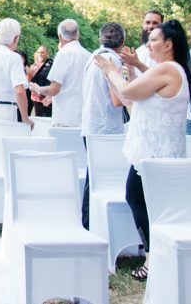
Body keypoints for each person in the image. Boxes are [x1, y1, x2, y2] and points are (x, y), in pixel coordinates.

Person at [93, 19, 191, 283]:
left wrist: (108, 69)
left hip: (155, 154)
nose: (148, 42)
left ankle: (154, 256)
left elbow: (127, 90)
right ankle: (155, 255)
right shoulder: (168, 69)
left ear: (168, 44)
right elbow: (132, 98)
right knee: (142, 200)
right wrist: (131, 65)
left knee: (139, 199)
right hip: (153, 152)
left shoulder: (168, 70)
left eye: (154, 39)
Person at [81, 22, 128, 230]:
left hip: (90, 125)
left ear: (101, 39)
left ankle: (89, 225)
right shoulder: (112, 60)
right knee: (102, 182)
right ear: (122, 43)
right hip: (106, 128)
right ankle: (93, 226)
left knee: (94, 179)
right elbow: (117, 100)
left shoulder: (92, 58)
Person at [31, 19, 91, 127]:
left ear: (60, 36)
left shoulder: (63, 54)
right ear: (78, 34)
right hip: (85, 115)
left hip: (66, 117)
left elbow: (53, 89)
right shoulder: (88, 55)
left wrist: (37, 88)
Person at [26, 45, 53, 117]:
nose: (40, 54)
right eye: (39, 52)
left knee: (47, 120)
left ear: (47, 53)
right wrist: (28, 74)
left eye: (42, 52)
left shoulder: (51, 65)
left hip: (47, 98)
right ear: (36, 53)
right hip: (36, 98)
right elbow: (29, 82)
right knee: (38, 120)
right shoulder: (33, 66)